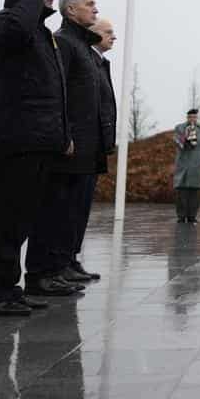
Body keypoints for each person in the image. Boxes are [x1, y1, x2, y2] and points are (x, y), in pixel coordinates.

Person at [0, 0, 74, 315]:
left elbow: (54, 92)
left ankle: (8, 287)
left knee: (19, 222)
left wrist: (62, 134)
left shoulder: (40, 34)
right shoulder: (7, 24)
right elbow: (17, 28)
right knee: (4, 222)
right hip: (17, 141)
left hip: (39, 142)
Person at [26, 0, 103, 292]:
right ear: (71, 10)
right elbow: (58, 95)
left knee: (69, 212)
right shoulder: (64, 43)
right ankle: (42, 273)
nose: (95, 9)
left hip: (84, 146)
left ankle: (59, 266)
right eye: (90, 4)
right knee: (53, 211)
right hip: (68, 146)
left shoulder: (81, 45)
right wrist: (64, 135)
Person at [69, 17, 116, 281]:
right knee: (69, 207)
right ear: (92, 34)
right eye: (108, 32)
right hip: (80, 145)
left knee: (81, 207)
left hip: (93, 146)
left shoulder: (98, 61)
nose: (114, 36)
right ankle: (60, 262)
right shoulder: (83, 56)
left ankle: (69, 258)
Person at [173, 109, 200, 223]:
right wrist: (186, 136)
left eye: (194, 117)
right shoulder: (180, 128)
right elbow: (177, 142)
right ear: (187, 118)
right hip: (183, 164)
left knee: (195, 192)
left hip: (197, 164)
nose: (192, 119)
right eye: (190, 117)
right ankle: (181, 216)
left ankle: (192, 216)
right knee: (181, 192)